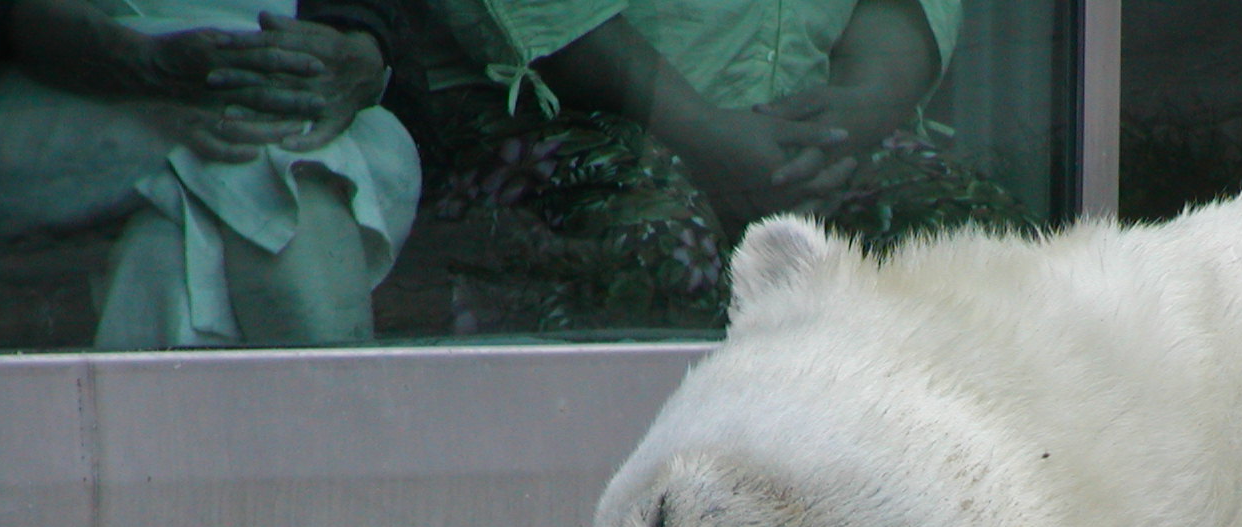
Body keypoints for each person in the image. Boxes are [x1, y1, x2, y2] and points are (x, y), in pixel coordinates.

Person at [406, 0, 1035, 333]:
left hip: (797, 136)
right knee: (650, 250)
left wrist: (856, 114)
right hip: (554, 109)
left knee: (967, 237)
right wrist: (701, 135)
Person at [0, 0, 420, 348]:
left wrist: (359, 41)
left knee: (165, 253)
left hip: (307, 98)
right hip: (73, 91)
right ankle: (345, 430)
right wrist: (143, 67)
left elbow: (370, 19)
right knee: (274, 168)